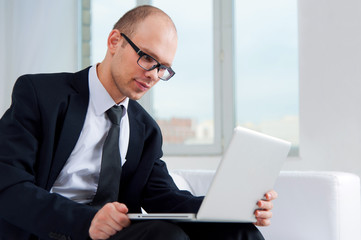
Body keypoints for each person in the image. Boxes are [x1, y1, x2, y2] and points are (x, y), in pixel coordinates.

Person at [0, 5, 276, 240]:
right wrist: (87, 221)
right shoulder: (40, 94)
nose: (154, 75)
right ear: (114, 42)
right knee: (165, 236)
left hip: (113, 233)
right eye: (147, 58)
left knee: (240, 232)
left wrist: (231, 208)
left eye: (163, 67)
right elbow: (9, 187)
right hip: (54, 230)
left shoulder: (145, 129)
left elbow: (165, 199)